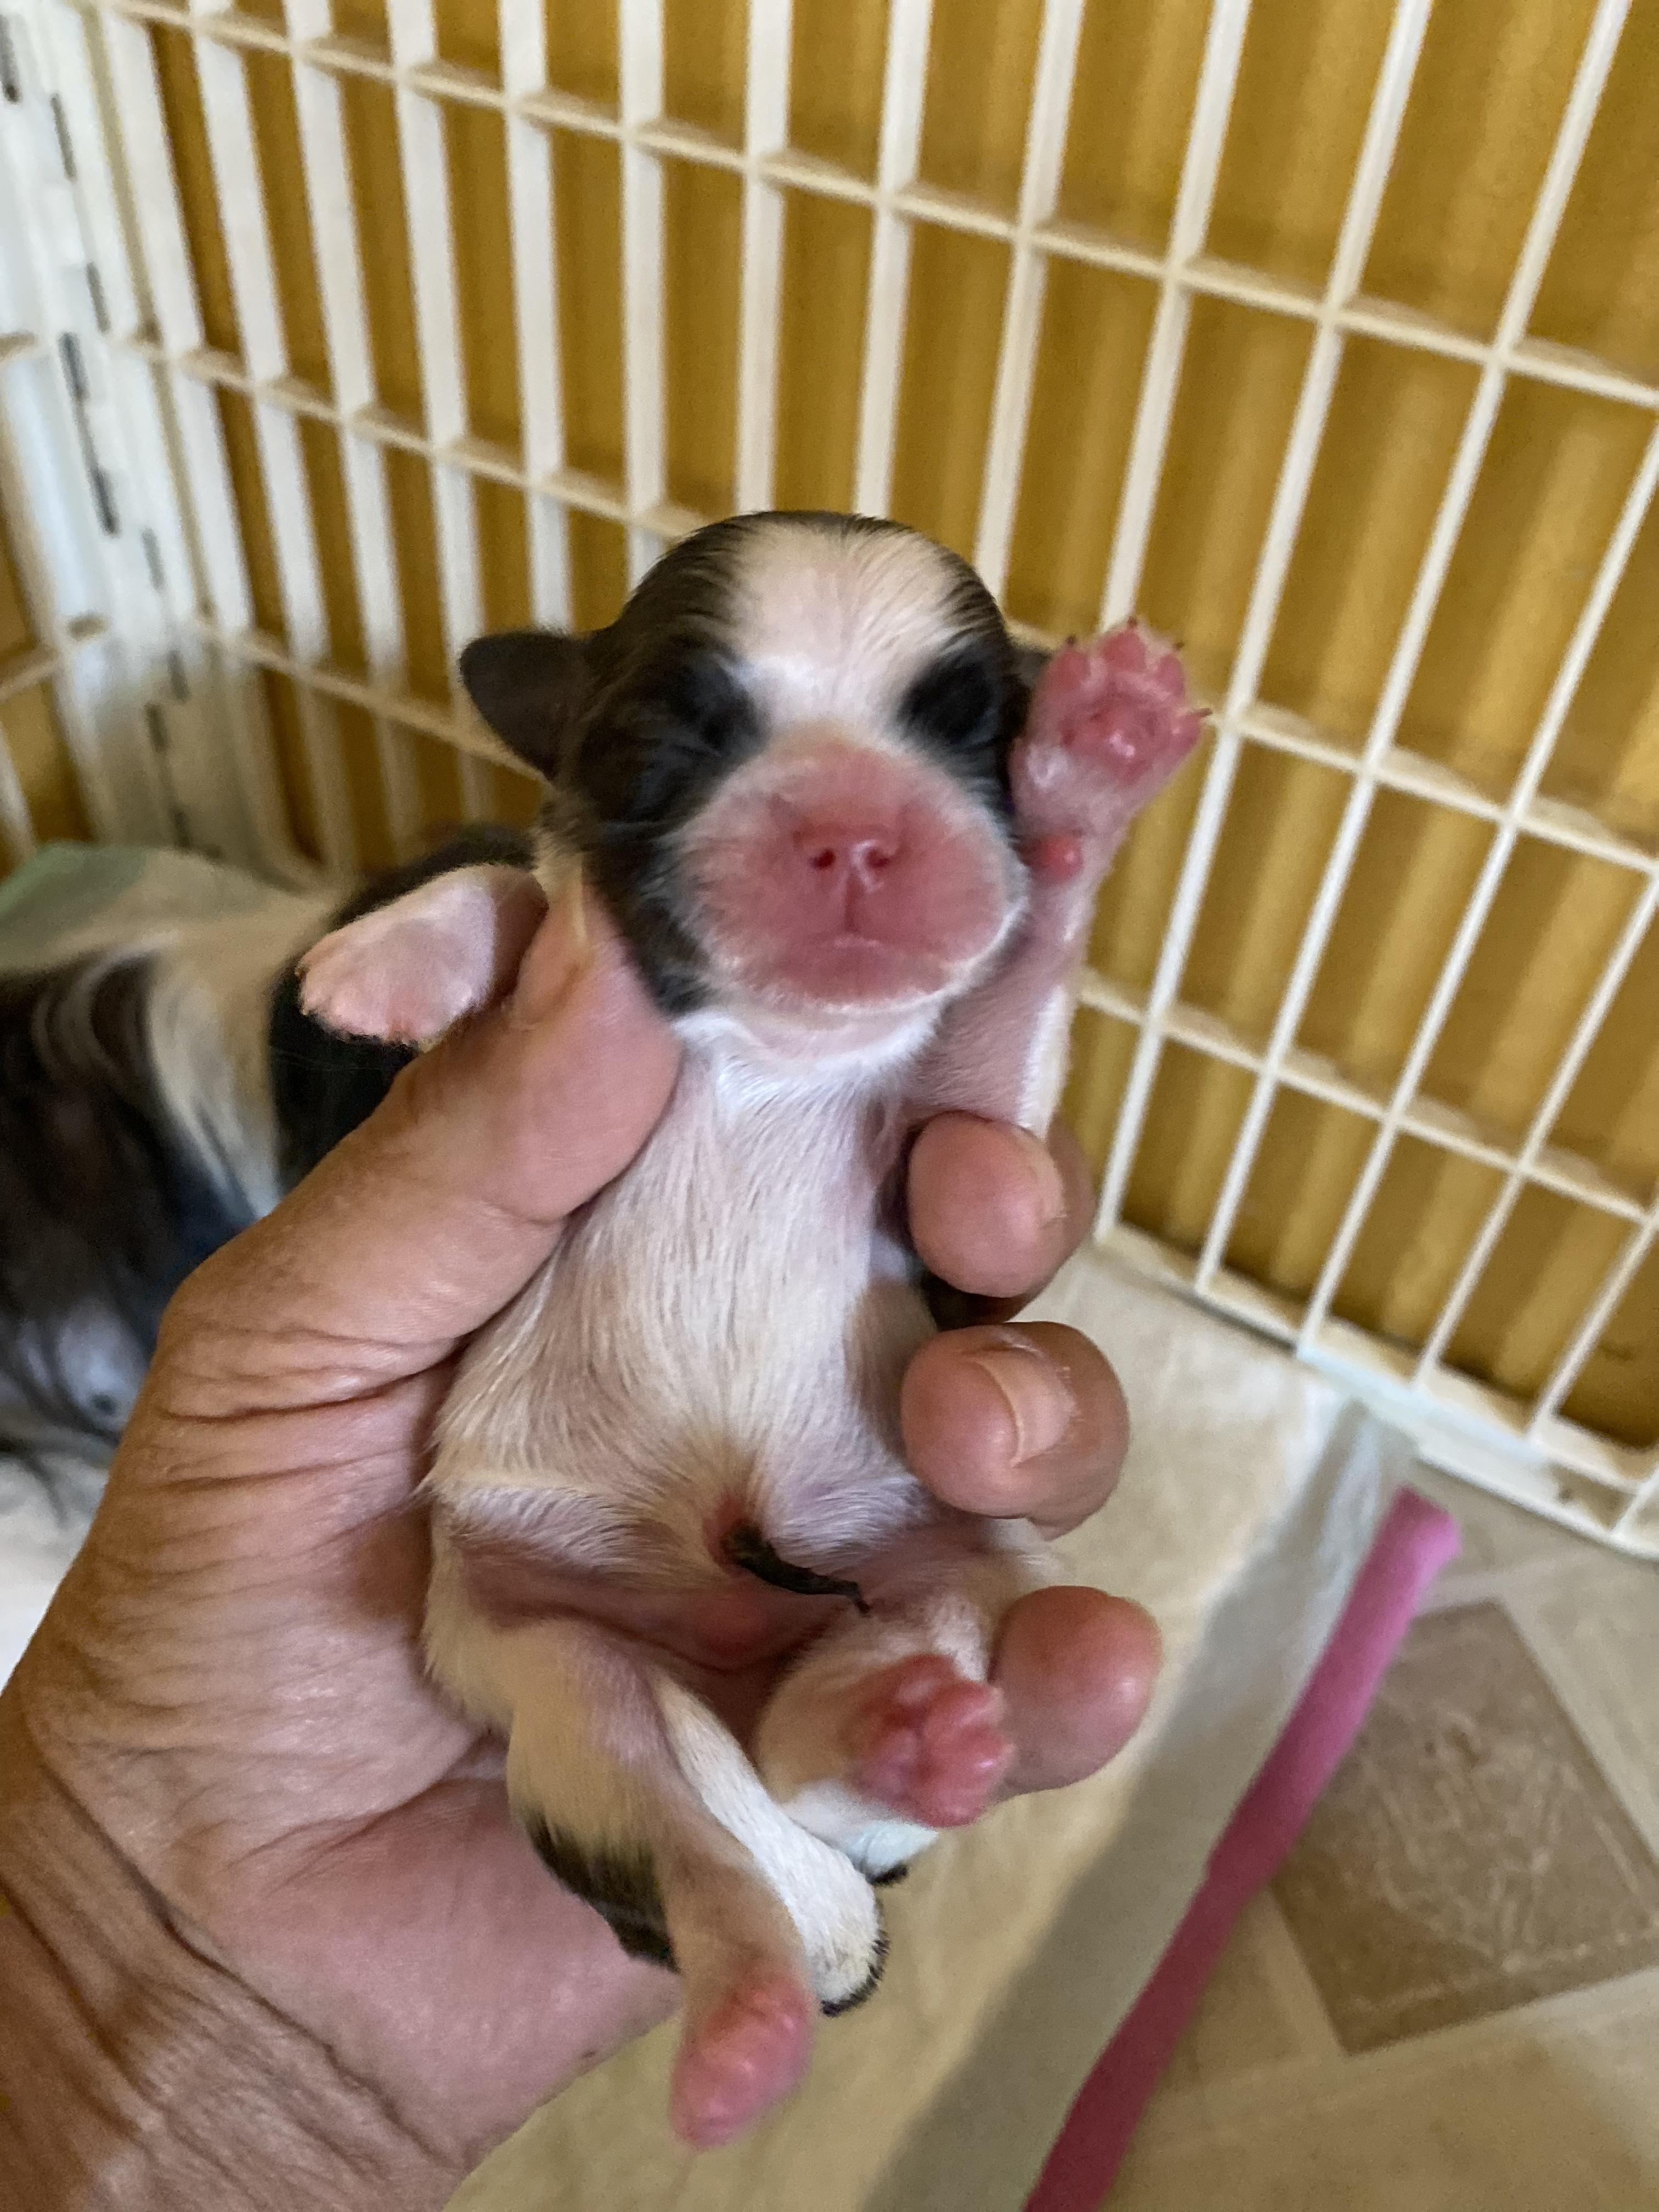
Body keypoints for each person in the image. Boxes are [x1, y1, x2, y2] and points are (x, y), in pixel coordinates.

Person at [0, 894, 1159, 2209]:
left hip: (680, 1554)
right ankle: (791, 1848)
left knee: (943, 1596)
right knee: (718, 1704)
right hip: (538, 1558)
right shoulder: (533, 965)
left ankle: (835, 1775)